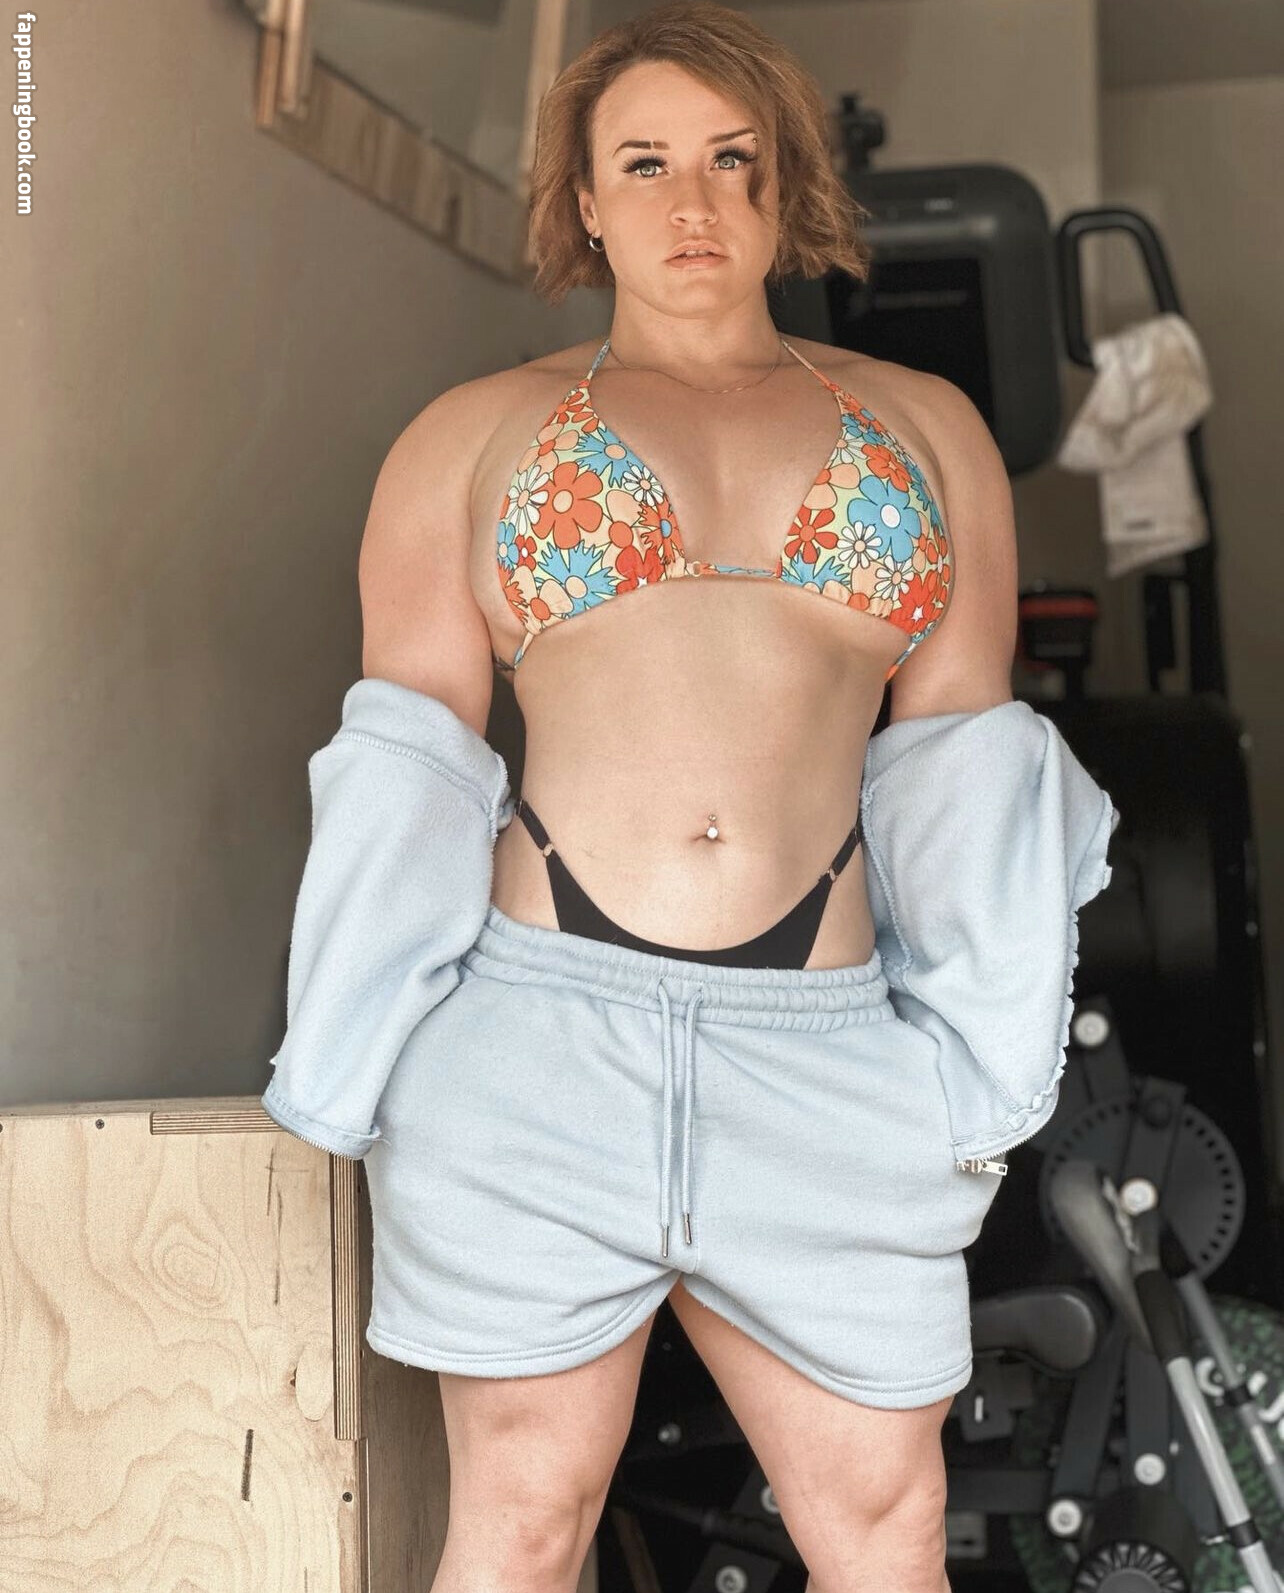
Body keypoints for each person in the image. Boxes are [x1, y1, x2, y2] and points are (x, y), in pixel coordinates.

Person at [266, 5, 1114, 1591]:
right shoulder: (468, 438)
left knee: (887, 1528)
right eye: (645, 163)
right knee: (525, 1521)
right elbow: (409, 775)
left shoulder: (926, 433)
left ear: (788, 183)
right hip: (537, 1037)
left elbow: (964, 774)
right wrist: (361, 1060)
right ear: (585, 199)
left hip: (830, 1048)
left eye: (733, 160)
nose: (694, 201)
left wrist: (970, 1078)